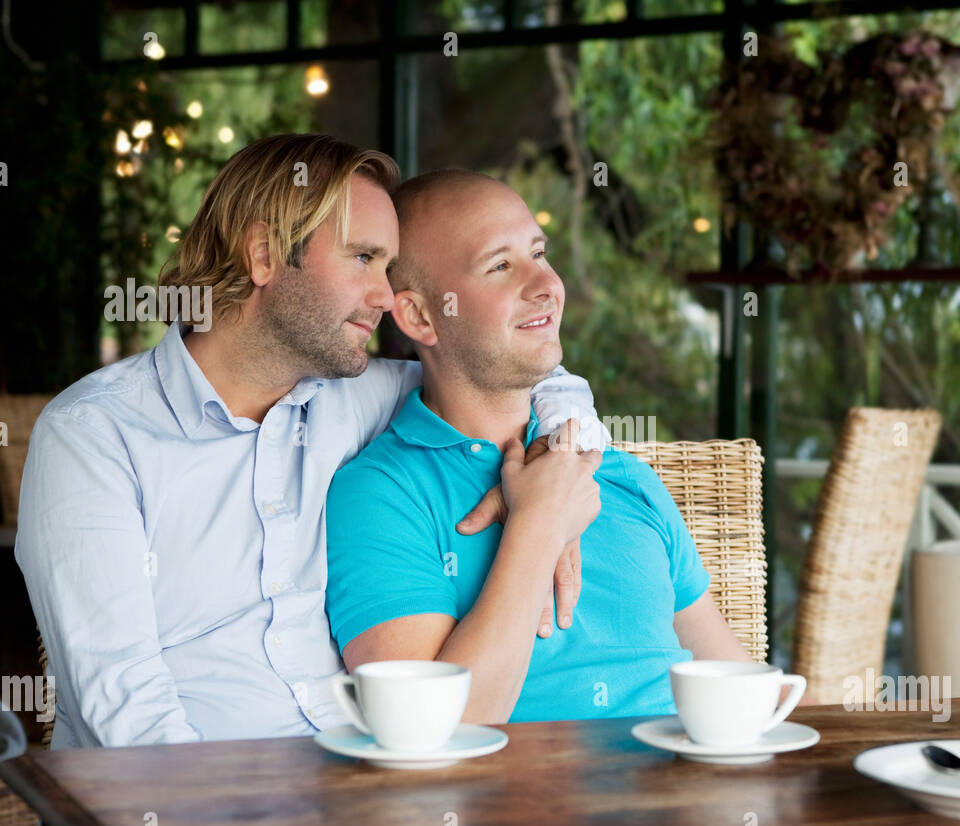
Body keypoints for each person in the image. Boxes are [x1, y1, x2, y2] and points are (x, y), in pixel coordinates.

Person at [15, 135, 607, 748]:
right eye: (363, 258)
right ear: (265, 254)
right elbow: (124, 711)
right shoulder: (94, 436)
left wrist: (558, 461)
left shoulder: (359, 396)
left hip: (360, 787)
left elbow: (503, 371)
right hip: (182, 810)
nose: (385, 295)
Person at [325, 169, 762, 724]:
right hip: (518, 806)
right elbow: (430, 731)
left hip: (691, 792)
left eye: (539, 253)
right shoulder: (380, 496)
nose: (546, 285)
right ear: (419, 315)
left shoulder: (617, 472)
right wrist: (540, 523)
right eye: (501, 265)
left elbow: (745, 693)